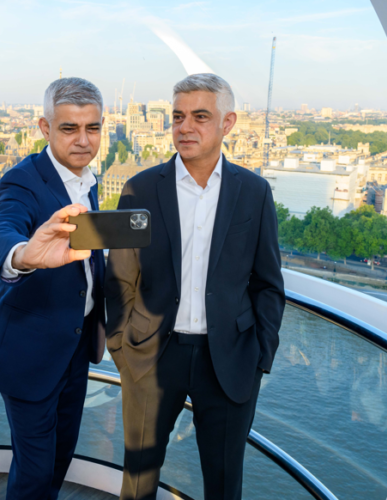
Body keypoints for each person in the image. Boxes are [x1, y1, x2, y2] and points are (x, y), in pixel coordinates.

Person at [105, 73, 285, 500]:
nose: (185, 127)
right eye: (178, 117)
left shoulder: (255, 193)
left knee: (224, 484)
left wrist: (260, 356)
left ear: (228, 123)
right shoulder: (139, 189)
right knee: (137, 481)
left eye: (200, 117)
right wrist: (122, 350)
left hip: (229, 359)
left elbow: (268, 283)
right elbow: (120, 278)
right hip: (151, 356)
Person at [0, 77, 106, 500]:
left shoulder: (87, 179)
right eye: (69, 128)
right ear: (45, 128)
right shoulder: (22, 180)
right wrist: (24, 255)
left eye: (93, 128)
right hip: (30, 352)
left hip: (75, 345)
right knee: (34, 471)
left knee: (60, 456)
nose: (83, 140)